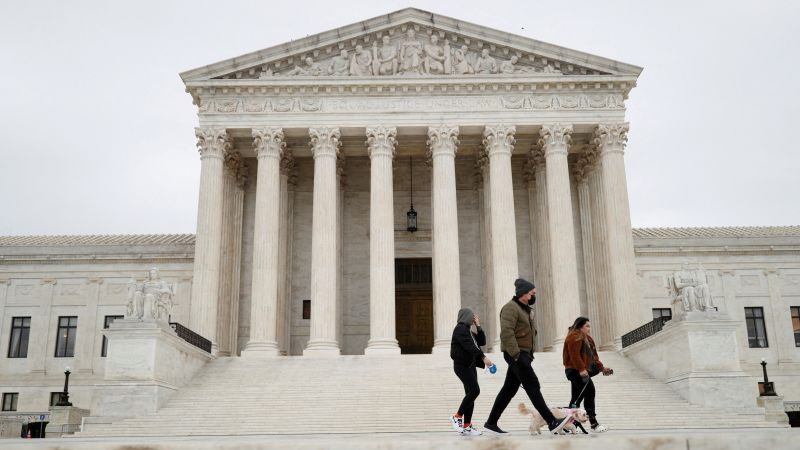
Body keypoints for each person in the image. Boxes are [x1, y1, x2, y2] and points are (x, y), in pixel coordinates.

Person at [484, 279, 573, 435]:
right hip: (517, 355)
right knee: (533, 386)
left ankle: (491, 422)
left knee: (508, 390)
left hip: (523, 354)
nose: (534, 296)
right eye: (532, 293)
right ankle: (551, 421)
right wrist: (517, 355)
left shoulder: (524, 309)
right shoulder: (510, 308)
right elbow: (506, 333)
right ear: (523, 293)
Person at [563, 317, 614, 433]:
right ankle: (593, 423)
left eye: (589, 326)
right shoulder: (574, 336)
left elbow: (594, 356)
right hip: (575, 370)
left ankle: (569, 425)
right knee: (590, 392)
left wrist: (601, 368)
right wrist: (581, 369)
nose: (589, 329)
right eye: (587, 326)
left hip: (581, 370)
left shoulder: (587, 338)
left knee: (576, 398)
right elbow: (574, 355)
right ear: (580, 326)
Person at [449, 307, 492, 436]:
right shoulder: (460, 329)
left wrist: (478, 326)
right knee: (475, 391)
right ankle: (457, 416)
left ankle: (467, 425)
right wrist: (484, 357)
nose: (473, 318)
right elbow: (469, 347)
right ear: (465, 317)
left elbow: (482, 342)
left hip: (470, 365)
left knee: (470, 395)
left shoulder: (469, 331)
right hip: (462, 366)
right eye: (472, 316)